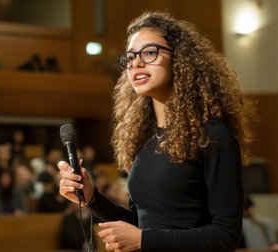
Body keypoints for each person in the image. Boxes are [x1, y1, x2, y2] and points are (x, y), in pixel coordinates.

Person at [57, 12, 254, 251]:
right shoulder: (145, 138)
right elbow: (140, 224)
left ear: (179, 59)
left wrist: (143, 240)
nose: (135, 63)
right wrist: (92, 198)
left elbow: (225, 236)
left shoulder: (212, 135)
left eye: (149, 53)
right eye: (129, 58)